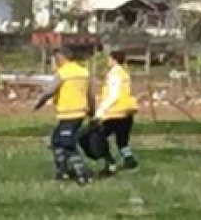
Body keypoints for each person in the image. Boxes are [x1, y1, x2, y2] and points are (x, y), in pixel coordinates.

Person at [33, 47, 92, 185]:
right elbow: (90, 94)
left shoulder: (64, 73)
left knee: (67, 144)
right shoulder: (84, 72)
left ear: (61, 58)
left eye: (55, 59)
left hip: (68, 113)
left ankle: (81, 173)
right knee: (56, 141)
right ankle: (62, 171)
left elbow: (49, 91)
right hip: (80, 112)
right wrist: (92, 110)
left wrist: (39, 103)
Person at [92, 50, 139, 175]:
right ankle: (129, 160)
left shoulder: (114, 74)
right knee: (122, 140)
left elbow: (114, 95)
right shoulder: (124, 73)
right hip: (127, 111)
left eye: (109, 58)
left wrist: (100, 111)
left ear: (113, 60)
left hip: (114, 112)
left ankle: (109, 163)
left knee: (96, 137)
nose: (108, 61)